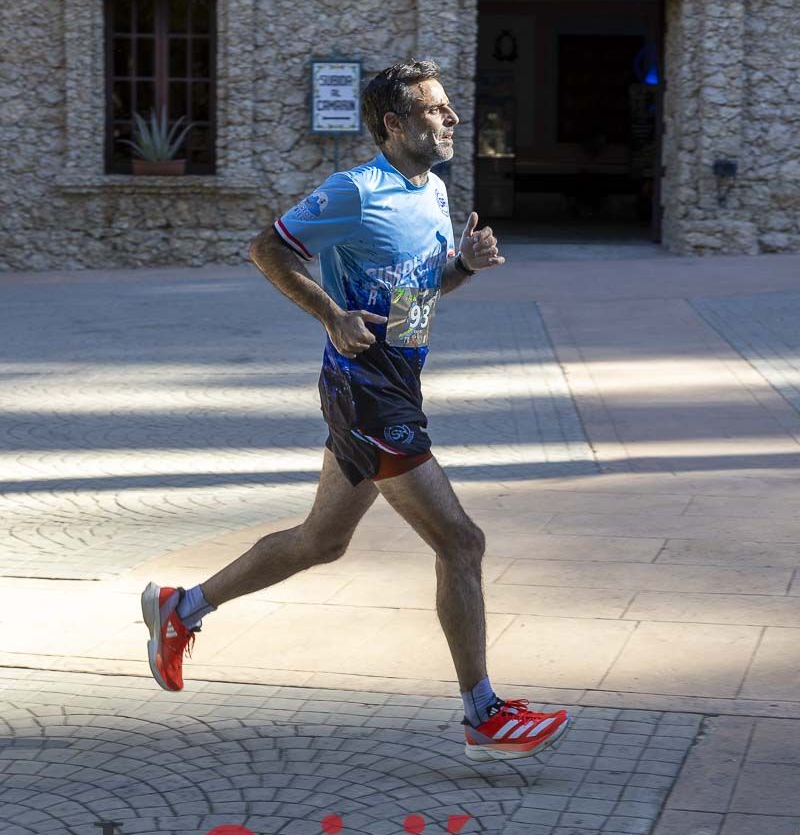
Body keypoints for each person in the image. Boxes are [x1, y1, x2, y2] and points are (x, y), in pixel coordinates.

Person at [141, 60, 570, 761]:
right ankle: (483, 714)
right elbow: (266, 249)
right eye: (434, 111)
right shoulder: (354, 191)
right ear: (394, 125)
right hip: (366, 389)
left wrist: (462, 265)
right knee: (461, 542)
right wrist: (331, 314)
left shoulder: (430, 190)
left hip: (393, 380)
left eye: (448, 108)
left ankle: (179, 608)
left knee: (322, 541)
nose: (451, 118)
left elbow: (415, 298)